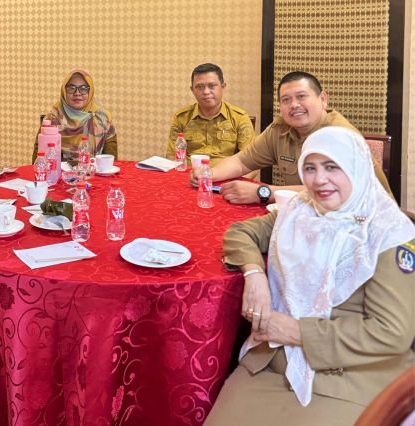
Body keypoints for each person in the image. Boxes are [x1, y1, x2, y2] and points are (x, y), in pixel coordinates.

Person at [206, 127, 415, 425]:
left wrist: (295, 331)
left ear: (356, 168)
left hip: (346, 377)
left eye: (332, 167)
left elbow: (391, 333)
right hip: (271, 363)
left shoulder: (387, 234)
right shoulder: (300, 210)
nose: (319, 180)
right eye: (310, 168)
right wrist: (255, 275)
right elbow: (241, 233)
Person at [189, 71, 392, 204]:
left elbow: (329, 193)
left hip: (358, 225)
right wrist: (209, 174)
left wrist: (265, 192)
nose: (294, 105)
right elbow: (242, 161)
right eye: (286, 100)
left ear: (323, 99)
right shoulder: (281, 129)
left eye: (301, 97)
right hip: (308, 217)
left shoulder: (339, 136)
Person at [166, 63, 255, 166]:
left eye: (212, 86)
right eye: (199, 87)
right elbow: (172, 157)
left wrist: (234, 182)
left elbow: (251, 163)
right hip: (189, 177)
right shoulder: (181, 117)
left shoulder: (239, 118)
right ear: (192, 90)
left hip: (227, 178)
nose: (206, 92)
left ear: (223, 87)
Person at [32, 68, 117, 164]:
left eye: (83, 88)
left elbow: (111, 161)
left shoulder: (103, 119)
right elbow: (39, 159)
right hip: (58, 176)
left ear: (90, 91)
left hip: (93, 175)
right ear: (64, 90)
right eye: (71, 88)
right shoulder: (52, 119)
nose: (77, 93)